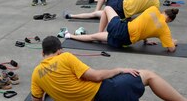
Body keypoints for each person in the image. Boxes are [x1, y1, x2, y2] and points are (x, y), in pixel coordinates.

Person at [30, 36, 187, 101]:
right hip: (102, 93)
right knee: (149, 75)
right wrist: (119, 69)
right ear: (59, 51)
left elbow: (37, 99)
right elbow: (96, 76)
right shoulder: (65, 57)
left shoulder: (36, 74)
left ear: (42, 52)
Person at [62, 6, 178, 52]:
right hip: (125, 41)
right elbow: (171, 49)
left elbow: (143, 22)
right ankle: (70, 36)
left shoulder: (153, 9)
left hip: (120, 28)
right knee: (93, 37)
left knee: (107, 8)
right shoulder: (164, 30)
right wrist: (173, 42)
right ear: (171, 20)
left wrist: (146, 40)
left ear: (164, 12)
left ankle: (72, 35)